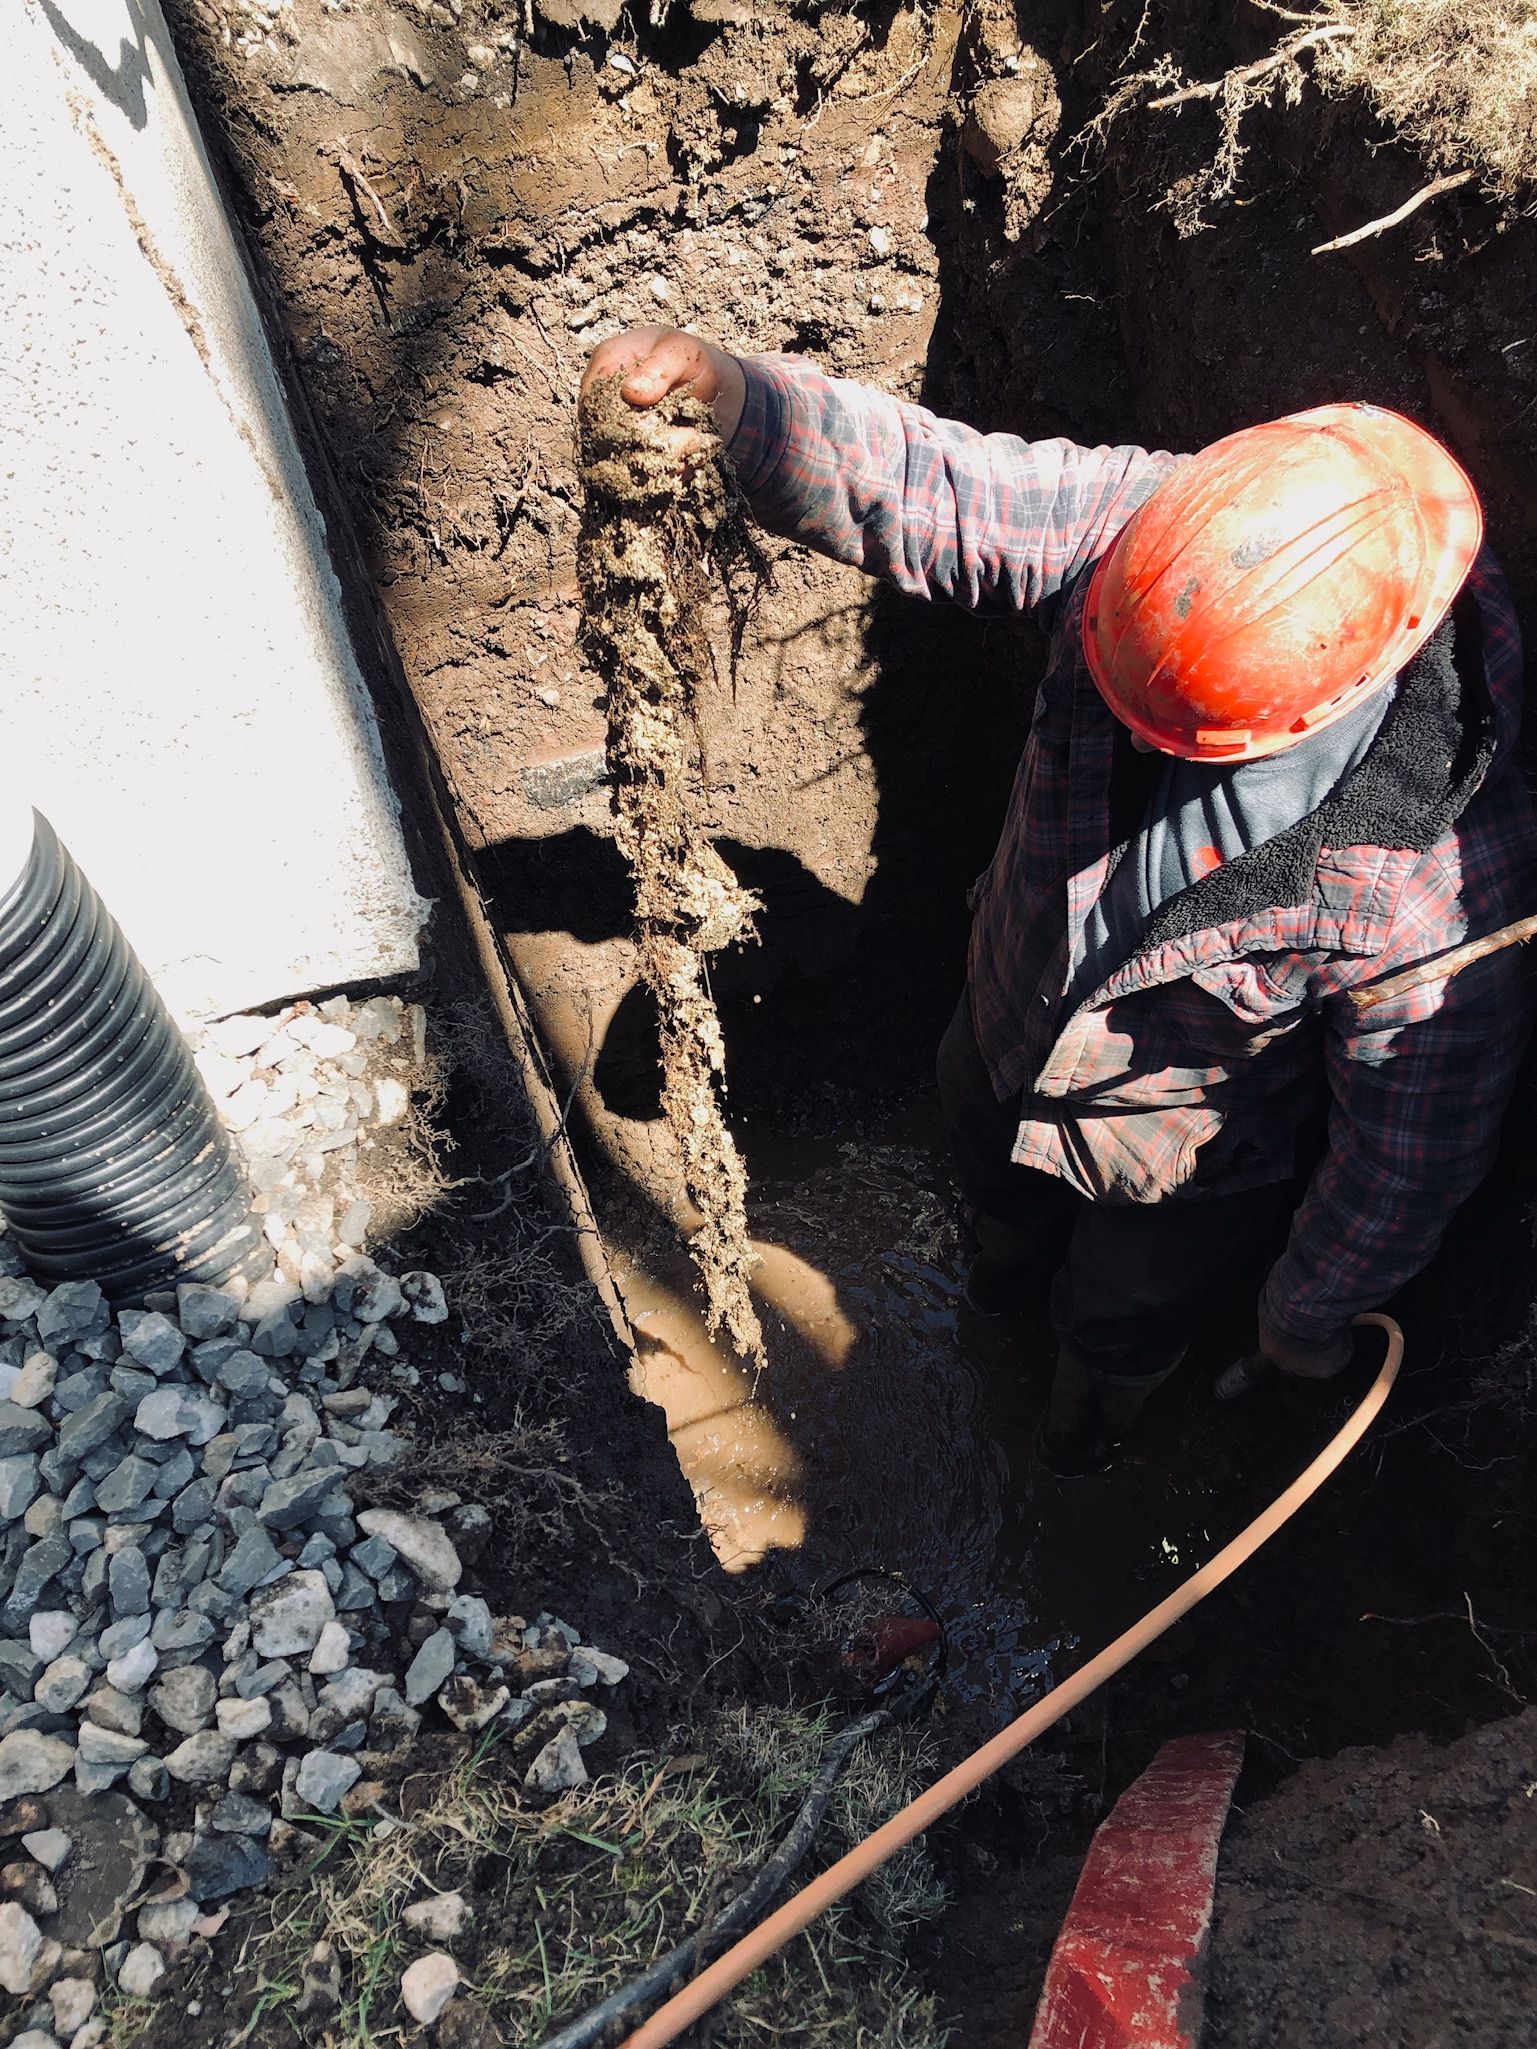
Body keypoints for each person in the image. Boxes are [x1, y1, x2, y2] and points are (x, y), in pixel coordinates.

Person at [581, 327, 1537, 1475]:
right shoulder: (1159, 542)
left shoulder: (1430, 903)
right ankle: (997, 1285)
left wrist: (1301, 1318)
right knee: (989, 1193)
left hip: (1168, 1172)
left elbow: (1406, 1156)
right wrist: (742, 405)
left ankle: (1086, 1428)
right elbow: (944, 486)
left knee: (1120, 1315)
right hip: (996, 1020)